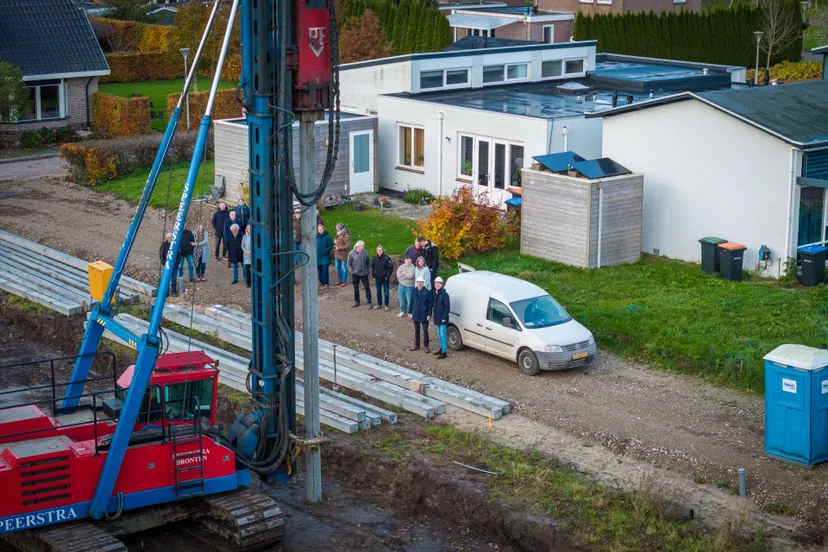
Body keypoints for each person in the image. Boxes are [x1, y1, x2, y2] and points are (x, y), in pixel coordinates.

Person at [408, 276, 432, 352]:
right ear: (416, 283)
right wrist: (409, 312)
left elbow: (430, 305)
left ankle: (426, 346)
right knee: (416, 330)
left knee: (425, 330)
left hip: (424, 314)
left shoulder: (427, 292)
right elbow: (411, 302)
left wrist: (429, 314)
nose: (420, 284)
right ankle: (417, 345)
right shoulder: (414, 291)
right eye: (418, 282)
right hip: (416, 313)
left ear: (423, 283)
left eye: (421, 282)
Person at [347, 240, 372, 308]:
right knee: (356, 287)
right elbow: (349, 263)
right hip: (355, 273)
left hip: (364, 273)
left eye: (363, 246)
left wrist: (367, 270)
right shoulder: (351, 253)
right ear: (358, 246)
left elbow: (368, 262)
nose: (363, 247)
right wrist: (352, 271)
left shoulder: (365, 252)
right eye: (362, 246)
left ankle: (369, 302)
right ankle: (357, 301)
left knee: (367, 287)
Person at [370, 245, 394, 311]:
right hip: (377, 278)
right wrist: (373, 276)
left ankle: (386, 305)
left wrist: (387, 276)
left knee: (386, 292)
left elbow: (390, 268)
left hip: (384, 278)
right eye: (378, 250)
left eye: (380, 250)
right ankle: (379, 304)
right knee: (378, 292)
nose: (379, 251)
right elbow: (373, 268)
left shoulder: (387, 258)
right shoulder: (375, 258)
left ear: (383, 250)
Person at [432, 276, 450, 359]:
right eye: (436, 283)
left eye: (439, 283)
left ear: (442, 284)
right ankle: (441, 348)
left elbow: (447, 307)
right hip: (437, 317)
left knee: (442, 335)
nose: (437, 284)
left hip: (442, 319)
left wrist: (444, 317)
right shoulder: (436, 293)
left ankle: (444, 351)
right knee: (439, 334)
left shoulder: (445, 295)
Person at [316, 223, 333, 288]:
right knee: (319, 270)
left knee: (325, 270)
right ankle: (321, 282)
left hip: (325, 256)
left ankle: (325, 283)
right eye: (318, 229)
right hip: (318, 256)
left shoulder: (327, 236)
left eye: (321, 229)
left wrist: (326, 250)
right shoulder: (316, 236)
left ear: (323, 229)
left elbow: (330, 245)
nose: (320, 230)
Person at [333, 222, 350, 287]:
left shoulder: (346, 235)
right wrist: (336, 241)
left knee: (344, 268)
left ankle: (344, 281)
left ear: (340, 228)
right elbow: (339, 242)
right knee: (338, 268)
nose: (336, 228)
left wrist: (338, 247)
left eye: (337, 227)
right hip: (337, 254)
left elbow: (347, 246)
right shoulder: (339, 234)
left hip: (343, 255)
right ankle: (340, 279)